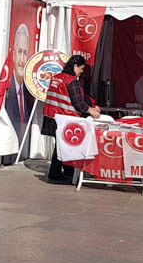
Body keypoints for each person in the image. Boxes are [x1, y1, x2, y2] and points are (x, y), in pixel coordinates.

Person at [42, 54, 101, 185]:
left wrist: (91, 104)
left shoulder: (56, 78)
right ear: (75, 66)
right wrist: (91, 111)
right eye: (81, 68)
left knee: (61, 145)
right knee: (64, 146)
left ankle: (66, 172)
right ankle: (56, 173)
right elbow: (78, 103)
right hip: (64, 118)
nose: (82, 71)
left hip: (52, 116)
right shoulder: (72, 81)